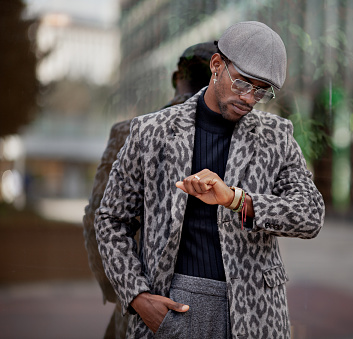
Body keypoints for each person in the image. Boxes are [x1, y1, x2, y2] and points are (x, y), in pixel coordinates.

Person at [95, 21, 325, 339]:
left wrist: (236, 199)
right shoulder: (151, 132)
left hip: (256, 313)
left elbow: (311, 215)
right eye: (243, 83)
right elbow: (110, 220)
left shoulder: (277, 136)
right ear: (217, 65)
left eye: (262, 90)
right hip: (173, 304)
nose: (250, 98)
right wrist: (136, 296)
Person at [83, 41, 216, 339]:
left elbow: (97, 221)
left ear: (175, 78)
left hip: (141, 300)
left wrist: (124, 292)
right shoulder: (235, 142)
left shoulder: (129, 131)